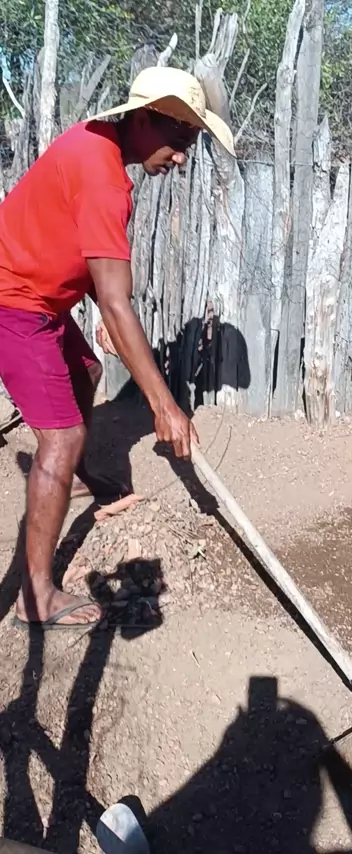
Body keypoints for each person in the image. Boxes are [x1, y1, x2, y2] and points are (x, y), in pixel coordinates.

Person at [0, 66, 235, 630]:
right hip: (13, 300)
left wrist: (104, 309)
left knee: (85, 371)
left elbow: (72, 243)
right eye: (179, 138)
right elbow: (115, 297)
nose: (182, 158)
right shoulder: (103, 176)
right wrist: (164, 405)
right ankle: (35, 596)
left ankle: (72, 476)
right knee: (62, 436)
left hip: (36, 294)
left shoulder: (98, 146)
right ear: (146, 119)